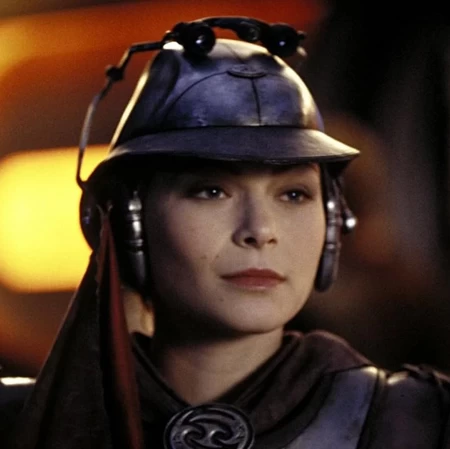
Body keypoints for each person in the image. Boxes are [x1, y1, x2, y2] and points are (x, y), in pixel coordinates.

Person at [2, 16, 450, 449]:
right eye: (211, 191)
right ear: (127, 219)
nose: (260, 230)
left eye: (294, 194)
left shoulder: (422, 423)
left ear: (332, 218)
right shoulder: (19, 423)